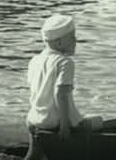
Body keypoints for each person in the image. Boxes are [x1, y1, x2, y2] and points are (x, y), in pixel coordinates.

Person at [23, 14, 101, 160]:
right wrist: (64, 125)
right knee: (98, 121)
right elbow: (61, 93)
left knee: (34, 154)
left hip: (33, 120)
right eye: (72, 37)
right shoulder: (65, 62)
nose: (76, 41)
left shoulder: (35, 60)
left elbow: (34, 91)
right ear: (59, 43)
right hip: (54, 122)